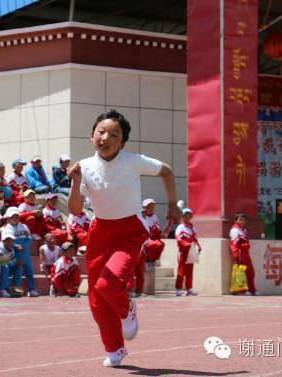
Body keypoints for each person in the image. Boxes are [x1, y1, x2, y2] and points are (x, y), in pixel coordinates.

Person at [67, 109, 177, 367]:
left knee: (109, 284)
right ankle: (115, 349)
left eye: (114, 135)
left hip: (129, 231)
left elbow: (167, 171)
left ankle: (128, 310)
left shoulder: (133, 161)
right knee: (96, 297)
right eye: (101, 132)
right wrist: (75, 182)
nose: (106, 138)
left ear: (122, 142)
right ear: (91, 135)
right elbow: (74, 209)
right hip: (100, 232)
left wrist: (172, 204)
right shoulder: (83, 167)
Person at [1, 207, 39, 297]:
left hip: (25, 253)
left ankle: (32, 289)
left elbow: (28, 239)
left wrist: (24, 246)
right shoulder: (6, 229)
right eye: (13, 217)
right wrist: (16, 246)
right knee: (15, 270)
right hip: (14, 254)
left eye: (17, 217)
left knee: (29, 271)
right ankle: (11, 289)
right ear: (8, 218)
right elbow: (7, 241)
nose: (15, 219)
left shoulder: (24, 226)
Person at [133, 198, 166, 297]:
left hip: (146, 243)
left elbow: (156, 230)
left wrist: (157, 230)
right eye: (147, 207)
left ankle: (151, 261)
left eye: (152, 207)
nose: (150, 209)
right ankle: (130, 290)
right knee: (133, 270)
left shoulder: (154, 217)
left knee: (159, 244)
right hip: (138, 245)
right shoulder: (137, 218)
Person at [230, 212, 258, 296]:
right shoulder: (235, 230)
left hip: (246, 253)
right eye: (240, 220)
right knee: (241, 273)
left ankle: (252, 289)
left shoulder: (244, 230)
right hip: (240, 253)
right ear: (236, 221)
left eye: (244, 220)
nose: (243, 221)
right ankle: (242, 290)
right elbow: (233, 244)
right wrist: (236, 255)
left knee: (250, 271)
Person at [175, 208, 201, 297]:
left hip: (191, 253)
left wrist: (198, 247)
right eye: (185, 215)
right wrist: (188, 244)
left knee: (190, 271)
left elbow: (195, 239)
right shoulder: (180, 227)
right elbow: (179, 239)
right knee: (181, 271)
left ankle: (188, 289)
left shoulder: (192, 227)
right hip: (183, 253)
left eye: (189, 215)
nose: (187, 217)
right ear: (182, 216)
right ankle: (178, 289)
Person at [0, 230, 19, 297]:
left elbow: (11, 258)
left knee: (19, 267)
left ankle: (16, 289)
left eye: (11, 240)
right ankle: (3, 289)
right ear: (3, 240)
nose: (10, 242)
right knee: (5, 266)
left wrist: (15, 262)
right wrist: (11, 261)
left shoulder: (12, 247)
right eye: (7, 240)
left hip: (8, 263)